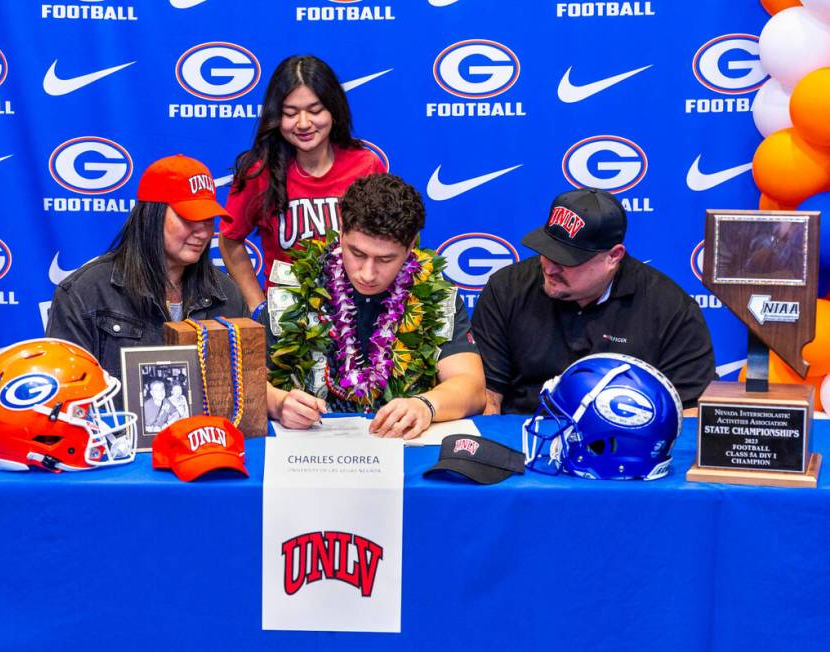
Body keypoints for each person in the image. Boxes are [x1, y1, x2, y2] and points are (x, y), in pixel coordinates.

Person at [263, 173, 485, 440]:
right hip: (310, 454)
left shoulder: (435, 292)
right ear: (342, 228)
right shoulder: (297, 287)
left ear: (411, 245)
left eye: (385, 259)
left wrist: (426, 405)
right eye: (357, 254)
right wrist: (278, 402)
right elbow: (244, 384)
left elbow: (471, 385)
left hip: (404, 451)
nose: (367, 274)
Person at [471, 187, 716, 414]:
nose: (549, 268)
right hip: (523, 437)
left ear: (614, 256)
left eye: (566, 259)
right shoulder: (505, 289)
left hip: (627, 446)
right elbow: (487, 396)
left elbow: (690, 410)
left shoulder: (670, 308)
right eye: (546, 251)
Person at [46, 155, 248, 382]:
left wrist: (279, 403)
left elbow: (247, 385)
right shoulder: (83, 294)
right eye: (189, 217)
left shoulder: (228, 294)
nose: (203, 232)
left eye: (209, 219)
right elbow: (65, 393)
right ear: (152, 216)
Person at [219, 54, 387, 313]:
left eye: (315, 110)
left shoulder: (365, 165)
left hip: (354, 315)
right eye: (290, 113)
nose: (304, 123)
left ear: (334, 110)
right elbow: (229, 241)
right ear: (276, 117)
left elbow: (388, 240)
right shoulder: (258, 172)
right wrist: (257, 305)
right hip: (288, 324)